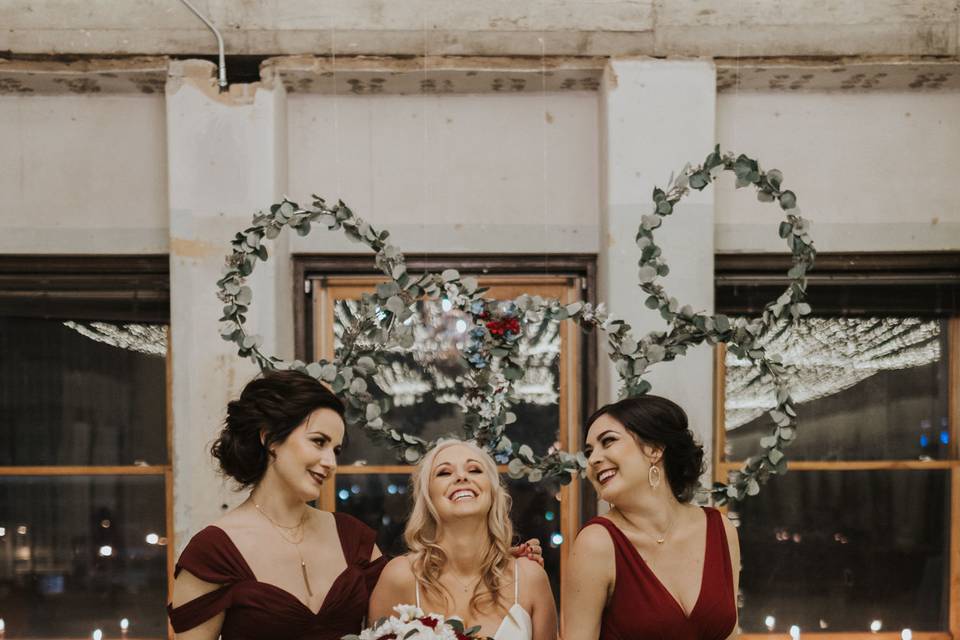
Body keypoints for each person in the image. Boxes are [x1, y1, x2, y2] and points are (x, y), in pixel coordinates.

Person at [167, 370, 543, 639]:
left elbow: (424, 588)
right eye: (318, 442)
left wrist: (497, 556)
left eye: (337, 449)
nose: (330, 462)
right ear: (271, 440)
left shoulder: (353, 540)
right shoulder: (214, 552)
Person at [562, 396, 740, 640]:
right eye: (589, 451)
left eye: (608, 441)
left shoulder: (720, 529)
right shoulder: (596, 543)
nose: (592, 460)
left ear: (655, 449)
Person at [369, 439, 557, 640]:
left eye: (475, 470)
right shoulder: (400, 577)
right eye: (444, 472)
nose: (461, 477)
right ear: (427, 497)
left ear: (493, 492)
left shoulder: (530, 578)